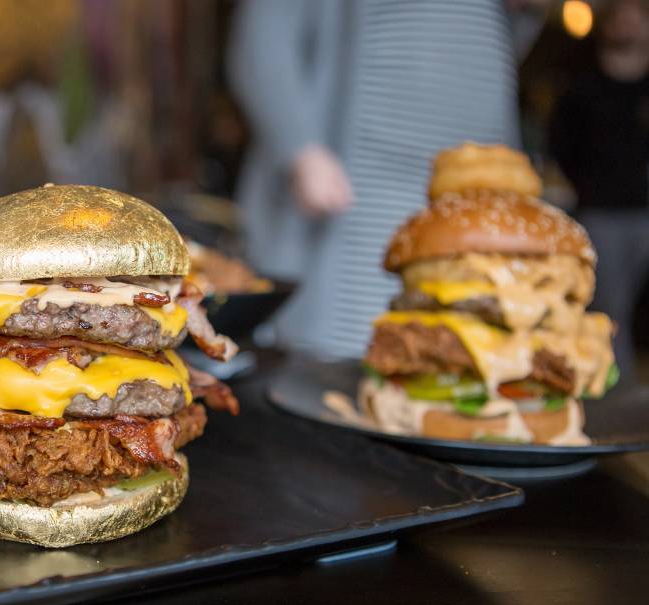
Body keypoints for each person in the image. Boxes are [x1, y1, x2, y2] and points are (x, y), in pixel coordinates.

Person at [228, 0, 539, 358]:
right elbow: (263, 35)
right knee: (343, 356)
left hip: (471, 200)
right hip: (360, 191)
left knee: (457, 347)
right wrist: (301, 149)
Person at [549, 0, 649, 377]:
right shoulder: (583, 85)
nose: (627, 25)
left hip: (645, 211)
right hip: (602, 214)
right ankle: (615, 393)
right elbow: (561, 146)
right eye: (620, 17)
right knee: (610, 311)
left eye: (635, 19)